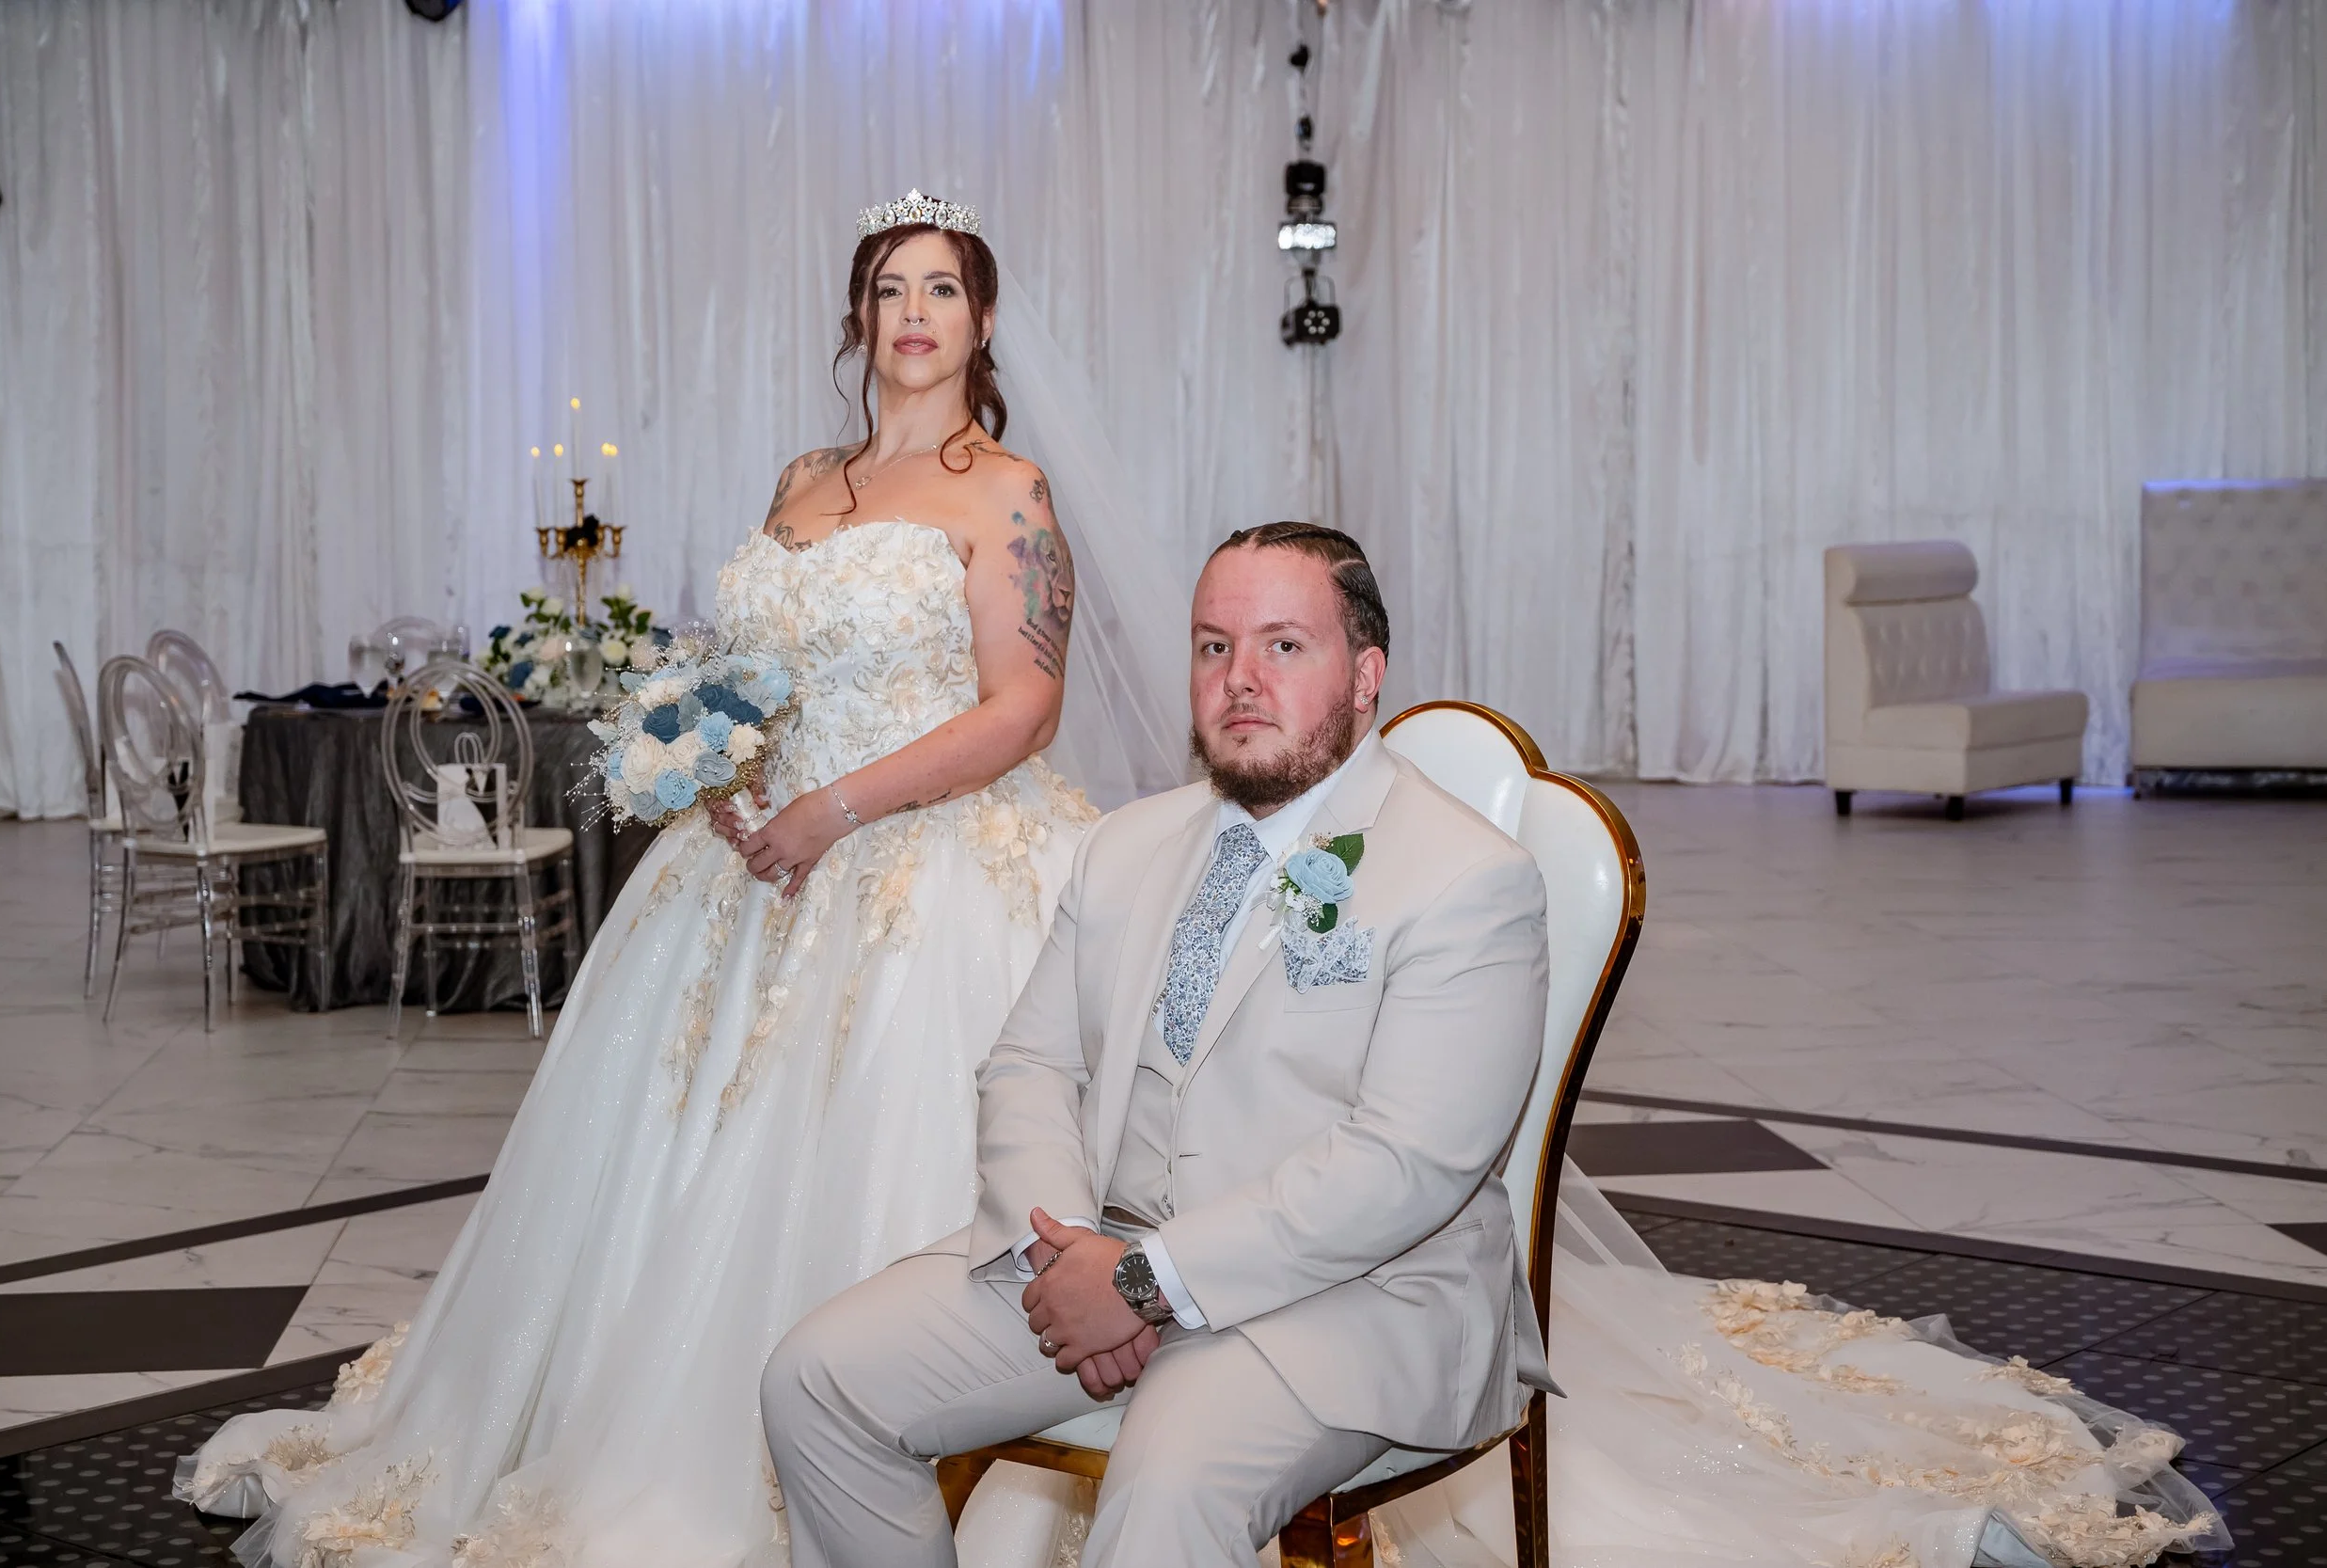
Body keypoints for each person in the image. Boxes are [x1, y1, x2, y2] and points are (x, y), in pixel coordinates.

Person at [764, 523, 2227, 1568]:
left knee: (1166, 1486)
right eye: (1217, 646)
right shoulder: (1127, 846)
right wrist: (1071, 1251)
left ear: (1365, 674)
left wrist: (1149, 1280)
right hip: (1100, 1254)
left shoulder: (1462, 876)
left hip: (1359, 1298)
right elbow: (1024, 1066)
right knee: (816, 1378)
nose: (1242, 679)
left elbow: (1402, 1168)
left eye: (1286, 644)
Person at [173, 192, 1111, 1568]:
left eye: (942, 290)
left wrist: (833, 808)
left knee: (855, 1164)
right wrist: (715, 761)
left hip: (922, 863)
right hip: (743, 867)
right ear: (858, 319)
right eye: (890, 289)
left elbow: (1022, 705)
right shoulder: (805, 478)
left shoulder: (1004, 491)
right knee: (666, 1176)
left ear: (982, 321)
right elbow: (756, 671)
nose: (914, 313)